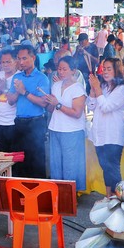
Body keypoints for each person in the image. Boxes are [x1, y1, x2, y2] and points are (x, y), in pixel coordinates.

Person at [42, 56, 86, 191]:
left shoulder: (78, 88)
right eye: (59, 69)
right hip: (56, 127)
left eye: (64, 69)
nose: (60, 72)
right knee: (56, 163)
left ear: (73, 71)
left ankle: (70, 195)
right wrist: (48, 103)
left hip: (72, 130)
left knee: (70, 164)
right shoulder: (55, 85)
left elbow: (77, 113)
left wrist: (58, 104)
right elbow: (52, 109)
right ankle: (58, 193)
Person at [6, 45, 50, 178]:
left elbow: (43, 102)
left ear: (33, 58)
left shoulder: (42, 78)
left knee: (36, 161)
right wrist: (15, 91)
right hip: (19, 123)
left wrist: (24, 92)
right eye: (19, 59)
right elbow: (11, 100)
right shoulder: (17, 77)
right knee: (20, 161)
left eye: (24, 58)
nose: (21, 62)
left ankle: (38, 193)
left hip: (36, 123)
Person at [87, 58, 124, 197]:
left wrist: (97, 88)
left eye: (109, 69)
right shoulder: (103, 87)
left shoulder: (121, 89)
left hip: (113, 136)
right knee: (106, 168)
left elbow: (105, 107)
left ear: (116, 71)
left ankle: (117, 200)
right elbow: (91, 106)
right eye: (104, 68)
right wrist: (93, 89)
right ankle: (109, 198)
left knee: (113, 170)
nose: (105, 71)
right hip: (100, 135)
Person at [0, 49, 18, 153]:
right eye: (3, 62)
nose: (5, 65)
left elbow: (12, 101)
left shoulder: (19, 77)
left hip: (12, 122)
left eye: (8, 61)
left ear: (15, 61)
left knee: (12, 155)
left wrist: (4, 89)